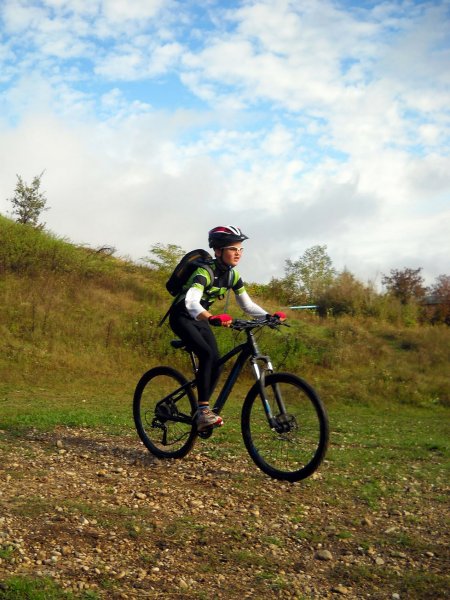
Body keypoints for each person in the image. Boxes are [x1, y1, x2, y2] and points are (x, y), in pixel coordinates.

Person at [169, 225, 285, 432]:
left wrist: (269, 316)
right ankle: (203, 411)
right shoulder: (204, 272)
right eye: (233, 249)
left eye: (241, 249)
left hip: (201, 319)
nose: (238, 253)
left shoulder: (233, 276)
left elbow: (247, 305)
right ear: (218, 250)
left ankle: (202, 408)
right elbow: (191, 301)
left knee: (218, 363)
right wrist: (211, 317)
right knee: (206, 354)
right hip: (182, 317)